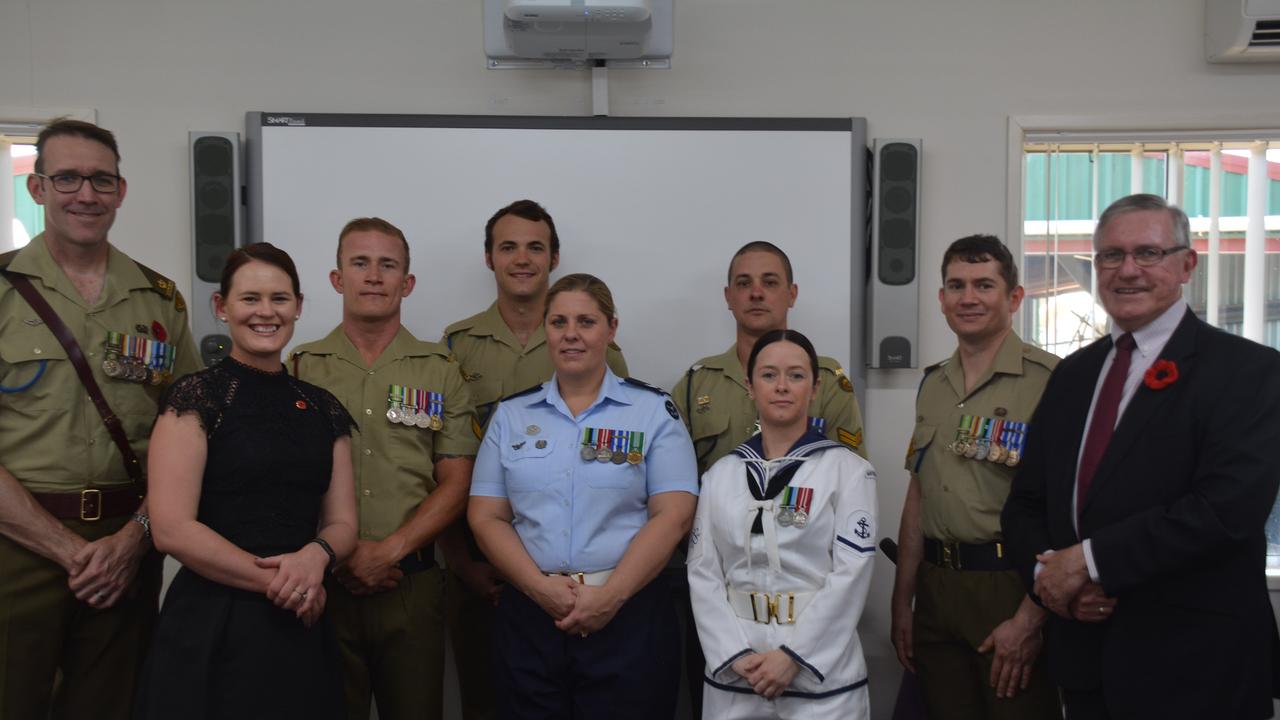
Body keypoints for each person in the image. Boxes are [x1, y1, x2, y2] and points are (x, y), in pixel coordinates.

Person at [1002, 194, 1280, 720]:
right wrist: (1054, 585)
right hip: (1087, 661)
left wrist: (1086, 562)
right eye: (1111, 255)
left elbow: (1226, 511)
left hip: (1199, 668)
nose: (1127, 270)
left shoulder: (1250, 372)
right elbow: (1025, 504)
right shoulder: (1074, 375)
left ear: (1186, 265)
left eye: (1148, 253)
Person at [0, 118, 199, 720]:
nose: (85, 194)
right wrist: (65, 548)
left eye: (100, 180)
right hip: (19, 547)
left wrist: (132, 543)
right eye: (67, 178)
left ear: (121, 190)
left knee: (111, 705)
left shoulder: (159, 300)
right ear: (37, 189)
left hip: (126, 544)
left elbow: (189, 433)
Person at [134, 243, 357, 719]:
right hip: (214, 622)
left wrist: (316, 558)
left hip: (301, 622)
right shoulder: (195, 398)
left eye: (279, 299)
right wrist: (284, 582)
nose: (265, 312)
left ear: (297, 307)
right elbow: (171, 527)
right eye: (249, 298)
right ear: (222, 307)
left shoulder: (323, 406)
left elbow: (342, 523)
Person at [468, 273, 698, 720]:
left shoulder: (653, 411)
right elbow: (486, 517)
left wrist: (610, 596)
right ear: (545, 331)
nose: (571, 334)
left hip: (629, 616)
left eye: (586, 322)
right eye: (558, 322)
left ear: (611, 330)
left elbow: (674, 515)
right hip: (532, 616)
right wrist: (538, 589)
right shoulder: (512, 416)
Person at [441, 199, 628, 719]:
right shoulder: (455, 347)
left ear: (555, 256)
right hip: (478, 561)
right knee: (487, 701)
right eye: (508, 247)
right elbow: (441, 458)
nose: (522, 259)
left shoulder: (599, 346)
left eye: (535, 247)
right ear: (488, 258)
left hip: (577, 573)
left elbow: (615, 455)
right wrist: (462, 563)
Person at [291, 217, 479, 720]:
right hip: (322, 582)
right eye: (360, 263)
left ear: (407, 283)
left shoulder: (440, 370)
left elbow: (457, 480)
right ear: (337, 279)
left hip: (411, 586)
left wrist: (389, 550)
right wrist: (341, 554)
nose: (374, 276)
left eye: (388, 265)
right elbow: (284, 478)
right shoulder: (302, 367)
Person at [671, 240, 865, 715]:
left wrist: (795, 653)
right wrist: (731, 645)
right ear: (728, 296)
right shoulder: (698, 382)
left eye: (770, 282)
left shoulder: (829, 380)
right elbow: (675, 490)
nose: (756, 294)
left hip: (809, 609)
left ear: (792, 293)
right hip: (724, 603)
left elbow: (845, 504)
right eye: (744, 283)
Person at [890, 235, 1061, 720]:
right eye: (956, 286)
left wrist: (1031, 617)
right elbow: (918, 497)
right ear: (941, 299)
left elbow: (1066, 514)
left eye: (984, 285)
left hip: (1008, 587)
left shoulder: (1051, 381)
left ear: (1014, 297)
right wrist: (903, 602)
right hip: (937, 589)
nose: (968, 298)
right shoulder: (932, 385)